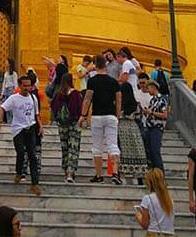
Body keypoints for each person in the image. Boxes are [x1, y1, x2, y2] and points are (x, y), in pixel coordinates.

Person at [79, 53, 122, 185]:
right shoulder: (114, 82)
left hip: (97, 116)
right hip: (111, 116)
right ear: (106, 66)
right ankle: (115, 173)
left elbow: (87, 99)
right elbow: (118, 99)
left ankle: (99, 175)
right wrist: (117, 115)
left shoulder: (92, 81)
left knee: (97, 147)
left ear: (95, 66)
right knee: (113, 145)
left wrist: (83, 115)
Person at [0, 74, 42, 196]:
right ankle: (19, 172)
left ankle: (35, 183)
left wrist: (40, 126)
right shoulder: (14, 98)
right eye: (24, 86)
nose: (27, 88)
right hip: (18, 130)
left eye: (29, 86)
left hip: (31, 128)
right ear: (19, 86)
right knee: (21, 153)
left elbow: (36, 114)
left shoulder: (33, 98)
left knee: (33, 156)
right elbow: (2, 108)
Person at [50, 72, 82, 182]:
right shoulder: (75, 94)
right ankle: (70, 172)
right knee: (73, 148)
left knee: (65, 148)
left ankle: (65, 171)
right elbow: (78, 108)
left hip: (62, 125)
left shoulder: (58, 95)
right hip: (73, 124)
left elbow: (53, 108)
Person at [118, 80, 148, 184]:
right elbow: (139, 116)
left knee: (122, 152)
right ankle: (139, 178)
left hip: (122, 128)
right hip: (133, 128)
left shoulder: (120, 104)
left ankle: (121, 176)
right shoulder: (135, 104)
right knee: (137, 152)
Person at [134, 168, 175, 235]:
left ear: (149, 183)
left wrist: (138, 216)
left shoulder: (147, 198)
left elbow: (145, 224)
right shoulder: (170, 199)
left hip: (154, 233)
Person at [141, 80, 168, 172]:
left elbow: (165, 115)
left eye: (148, 88)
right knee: (150, 152)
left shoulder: (162, 99)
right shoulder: (153, 100)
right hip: (149, 128)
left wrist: (151, 112)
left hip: (156, 128)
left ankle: (160, 174)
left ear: (153, 87)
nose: (147, 91)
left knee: (155, 151)